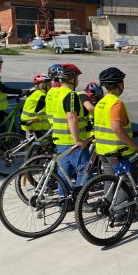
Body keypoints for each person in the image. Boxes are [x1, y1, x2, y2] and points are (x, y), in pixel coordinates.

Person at [95, 68, 138, 180]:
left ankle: (109, 194)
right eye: (122, 82)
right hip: (119, 152)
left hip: (102, 150)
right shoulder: (116, 103)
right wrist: (135, 146)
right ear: (119, 84)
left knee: (110, 182)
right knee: (129, 183)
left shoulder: (101, 103)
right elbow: (116, 128)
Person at [51, 63, 90, 198]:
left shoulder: (56, 93)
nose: (78, 80)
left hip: (60, 140)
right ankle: (81, 200)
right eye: (77, 78)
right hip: (72, 142)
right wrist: (78, 140)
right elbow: (71, 117)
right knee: (85, 169)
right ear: (72, 79)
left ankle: (64, 201)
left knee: (64, 173)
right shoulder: (71, 95)